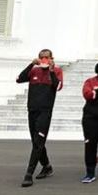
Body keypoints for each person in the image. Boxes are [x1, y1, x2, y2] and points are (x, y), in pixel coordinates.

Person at [18, 49, 63, 187]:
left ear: (51, 58)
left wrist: (50, 70)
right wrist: (31, 65)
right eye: (41, 57)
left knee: (38, 141)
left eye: (46, 57)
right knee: (36, 142)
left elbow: (57, 86)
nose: (44, 59)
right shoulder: (34, 71)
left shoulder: (56, 71)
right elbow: (20, 79)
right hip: (32, 110)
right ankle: (47, 166)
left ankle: (28, 174)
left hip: (45, 111)